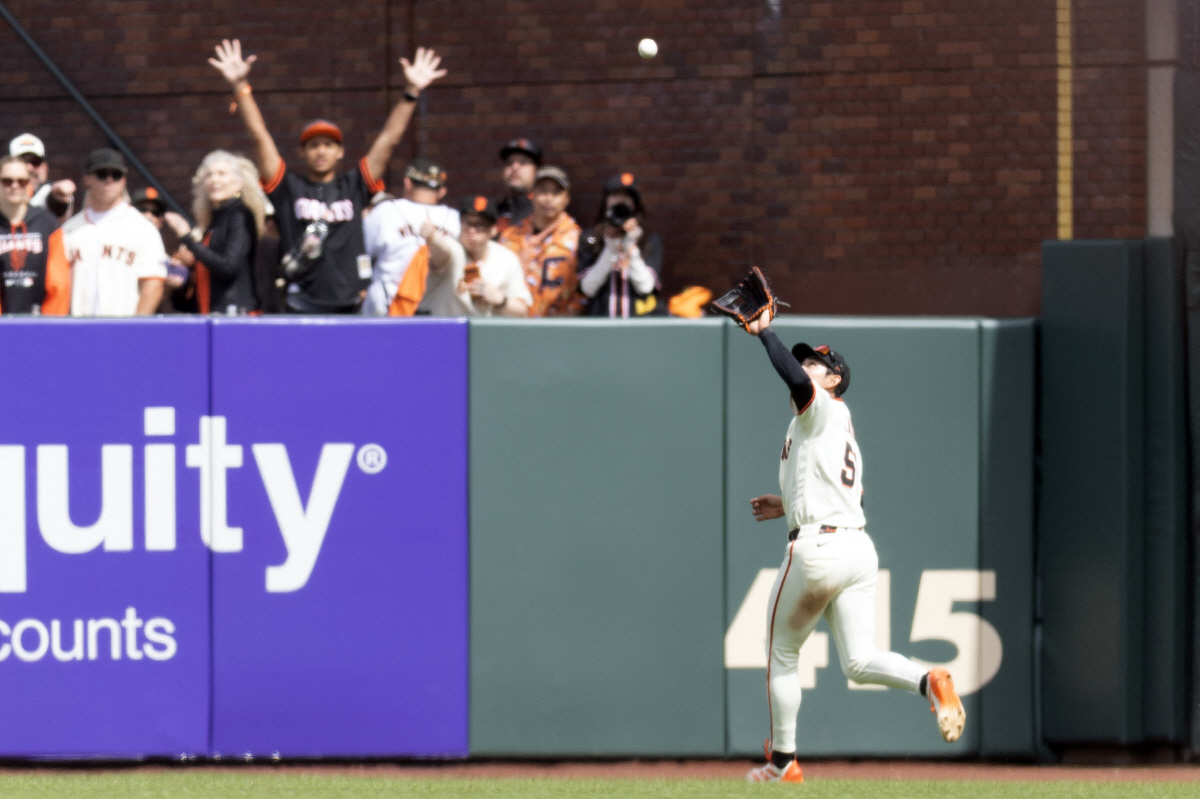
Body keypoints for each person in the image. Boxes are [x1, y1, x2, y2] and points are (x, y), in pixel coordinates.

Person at [741, 307, 965, 783]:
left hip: (817, 550)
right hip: (856, 551)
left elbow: (798, 385)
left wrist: (766, 335)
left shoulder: (820, 404)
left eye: (815, 363)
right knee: (860, 661)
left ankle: (783, 762)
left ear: (835, 378)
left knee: (782, 653)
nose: (804, 368)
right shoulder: (835, 427)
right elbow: (852, 493)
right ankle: (930, 680)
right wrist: (787, 503)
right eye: (803, 361)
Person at [208, 38, 446, 313]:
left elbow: (389, 140)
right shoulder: (289, 187)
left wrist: (411, 92)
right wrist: (240, 87)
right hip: (300, 304)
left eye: (328, 145)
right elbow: (259, 137)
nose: (321, 151)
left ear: (340, 152)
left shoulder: (354, 184)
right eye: (313, 145)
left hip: (352, 304)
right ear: (302, 152)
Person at [55, 149, 166, 316]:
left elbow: (153, 285)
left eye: (116, 175)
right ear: (87, 179)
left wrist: (135, 329)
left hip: (123, 330)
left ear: (124, 180)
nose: (109, 180)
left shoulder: (143, 228)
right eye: (101, 174)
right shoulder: (69, 230)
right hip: (77, 329)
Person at [163, 150, 264, 315]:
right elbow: (211, 270)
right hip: (211, 314)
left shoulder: (240, 214)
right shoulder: (215, 220)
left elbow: (228, 267)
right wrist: (186, 273)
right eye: (209, 175)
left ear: (238, 183)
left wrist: (188, 240)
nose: (214, 179)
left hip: (236, 316)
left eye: (222, 174)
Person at [361, 157, 459, 316]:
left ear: (407, 183)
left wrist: (361, 286)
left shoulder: (385, 211)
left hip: (387, 313)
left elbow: (361, 255)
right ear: (441, 191)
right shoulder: (456, 219)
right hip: (440, 317)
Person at [419, 195, 531, 317]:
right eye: (467, 223)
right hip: (443, 329)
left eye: (479, 225)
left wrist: (500, 300)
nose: (472, 230)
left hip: (481, 333)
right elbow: (443, 251)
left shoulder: (506, 258)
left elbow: (522, 311)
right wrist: (433, 237)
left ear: (493, 229)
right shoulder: (454, 246)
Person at [577, 172, 664, 317]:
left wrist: (630, 246)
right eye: (616, 194)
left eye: (628, 196)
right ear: (606, 201)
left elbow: (646, 287)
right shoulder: (590, 238)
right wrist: (610, 247)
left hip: (638, 326)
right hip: (600, 325)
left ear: (635, 205)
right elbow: (587, 289)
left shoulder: (649, 240)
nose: (621, 200)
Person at [498, 165, 580, 317]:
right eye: (543, 191)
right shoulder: (510, 236)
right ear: (532, 195)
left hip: (556, 331)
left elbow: (583, 292)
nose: (549, 198)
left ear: (567, 199)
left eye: (556, 192)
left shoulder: (577, 239)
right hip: (514, 328)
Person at [0, 156, 68, 314]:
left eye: (21, 181)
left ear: (29, 183)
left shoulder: (47, 223)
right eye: (7, 181)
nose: (14, 186)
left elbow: (58, 284)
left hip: (38, 323)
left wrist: (52, 328)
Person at [9, 133, 75, 220]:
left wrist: (58, 195)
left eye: (35, 162)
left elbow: (56, 203)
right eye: (22, 162)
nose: (29, 168)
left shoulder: (49, 192)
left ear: (45, 167)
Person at [494, 138, 541, 235]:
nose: (514, 167)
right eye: (509, 163)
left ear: (537, 171)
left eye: (523, 162)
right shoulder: (494, 210)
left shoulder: (545, 210)